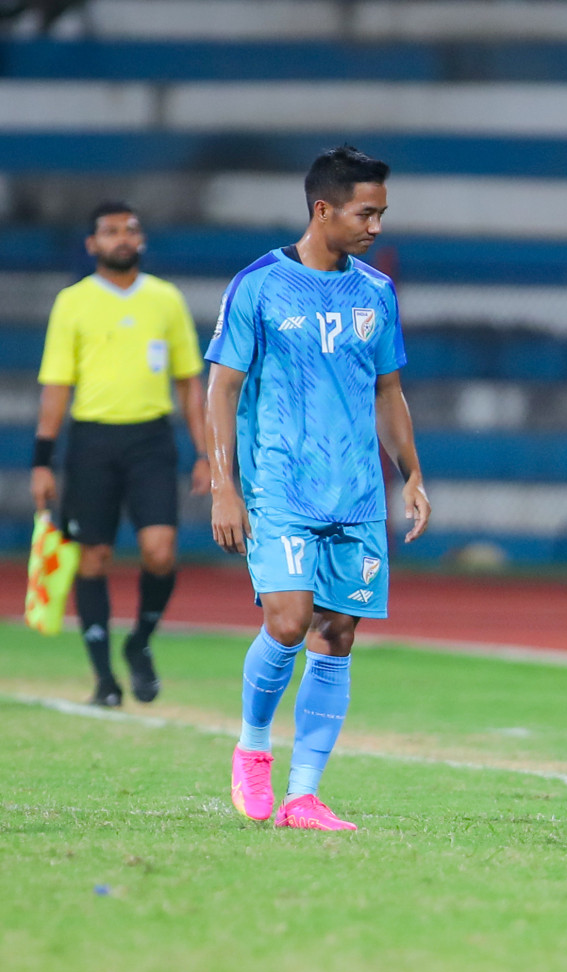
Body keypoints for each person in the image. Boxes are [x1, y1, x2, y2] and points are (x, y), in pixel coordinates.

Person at [208, 145, 431, 831]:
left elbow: (389, 389)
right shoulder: (259, 285)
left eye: (382, 213)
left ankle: (303, 796)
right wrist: (225, 485)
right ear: (323, 209)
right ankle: (252, 746)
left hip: (357, 493)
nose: (376, 226)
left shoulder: (375, 293)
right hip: (280, 484)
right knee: (288, 619)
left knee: (336, 635)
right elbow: (222, 389)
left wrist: (412, 474)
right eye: (367, 213)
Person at [32, 200, 210, 707]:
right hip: (92, 442)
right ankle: (104, 679)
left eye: (130, 229)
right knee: (93, 557)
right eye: (110, 231)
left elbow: (189, 383)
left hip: (150, 441)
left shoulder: (166, 299)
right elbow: (56, 388)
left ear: (142, 240)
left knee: (160, 551)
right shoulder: (73, 302)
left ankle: (139, 643)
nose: (122, 238)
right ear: (92, 245)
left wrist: (204, 452)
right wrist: (42, 461)